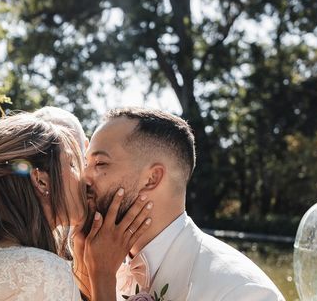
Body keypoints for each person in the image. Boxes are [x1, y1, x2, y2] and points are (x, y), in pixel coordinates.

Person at [0, 112, 153, 301]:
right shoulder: (41, 269)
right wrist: (103, 274)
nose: (85, 178)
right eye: (73, 164)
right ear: (41, 181)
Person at [76, 107, 285, 301]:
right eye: (86, 164)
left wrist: (102, 275)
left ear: (152, 179)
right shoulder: (105, 265)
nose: (84, 177)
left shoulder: (242, 291)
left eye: (100, 163)